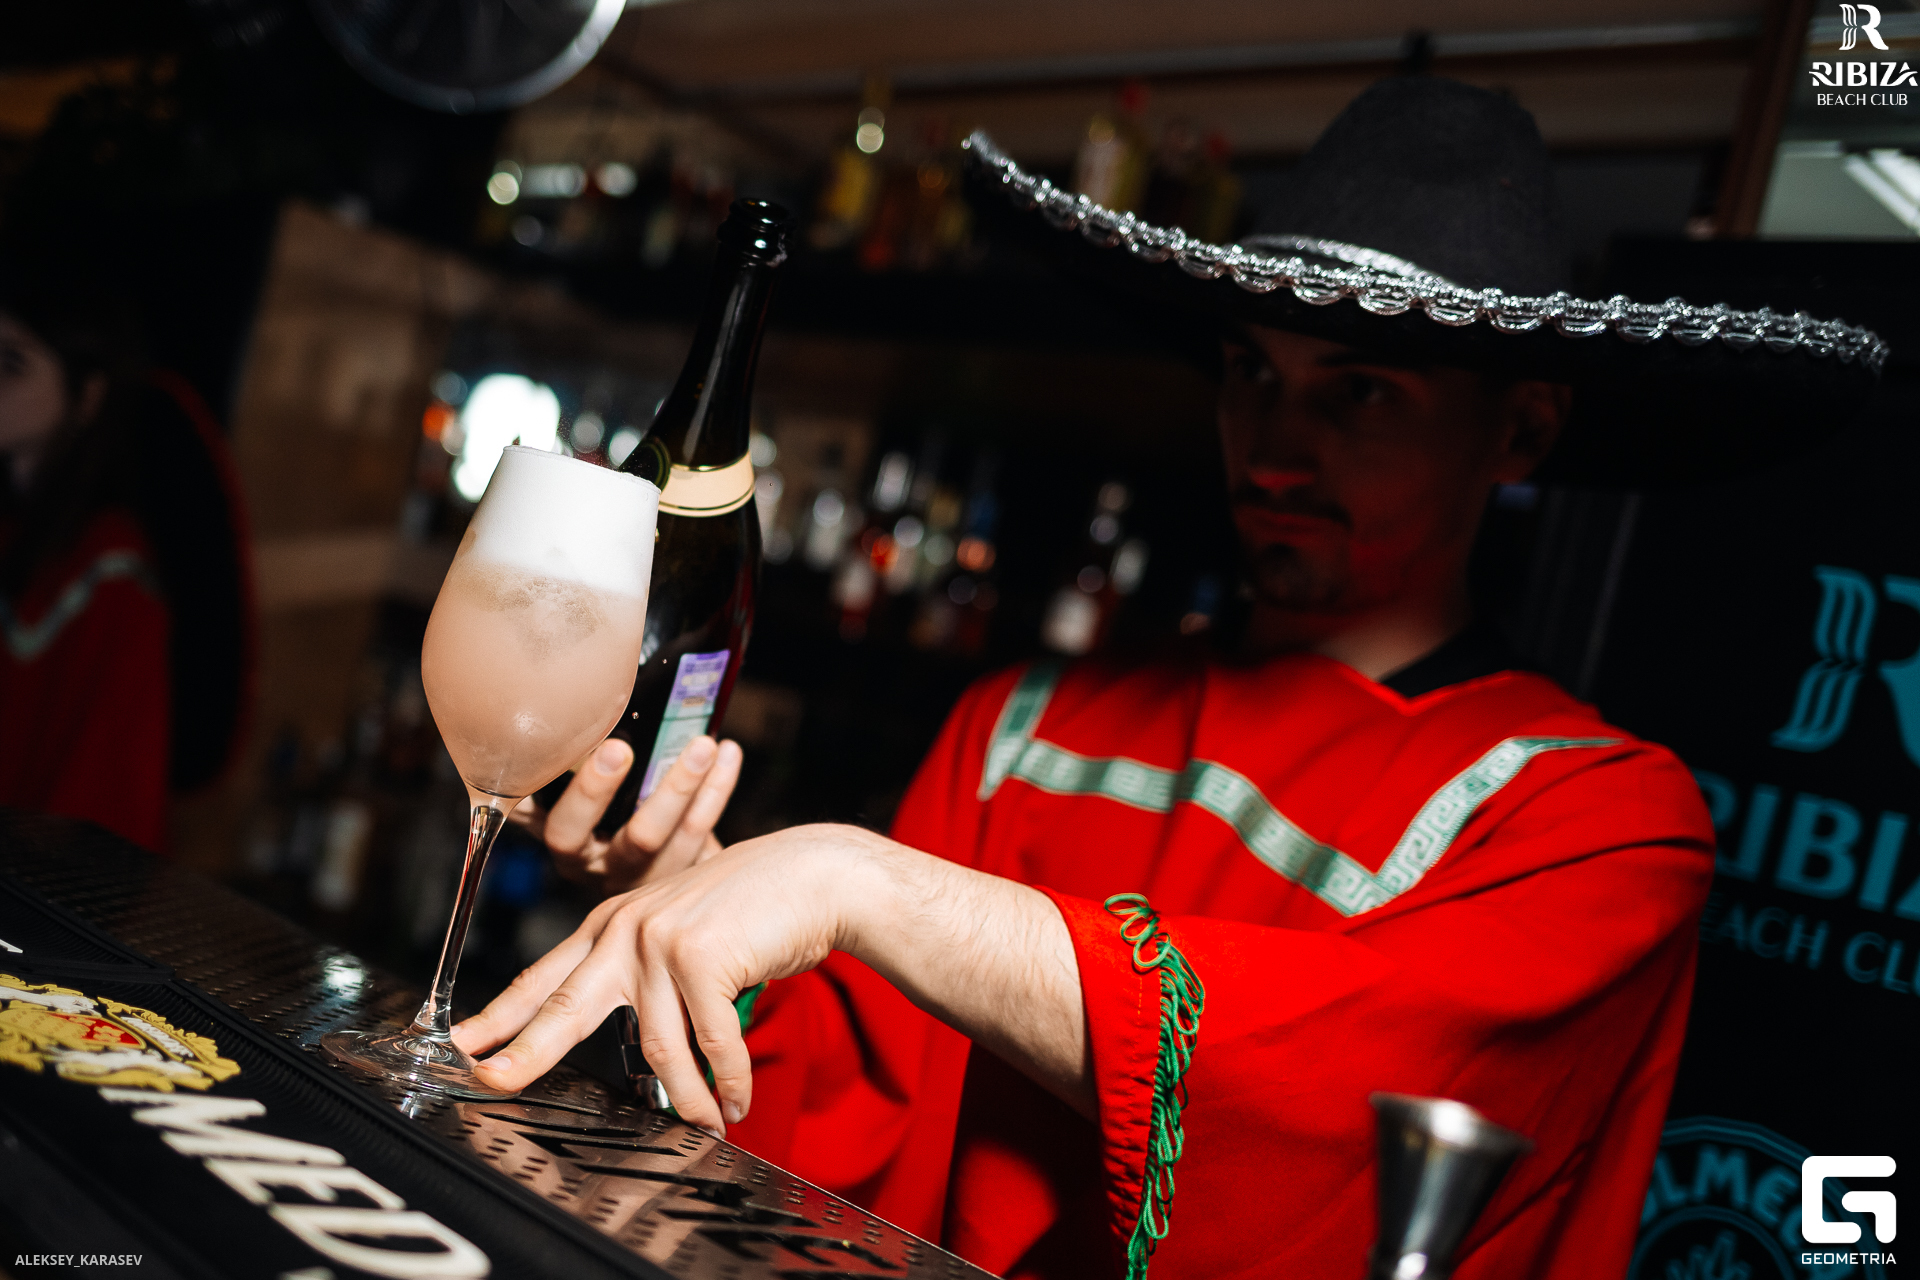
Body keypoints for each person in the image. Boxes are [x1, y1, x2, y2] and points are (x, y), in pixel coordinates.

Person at [451, 79, 1885, 1278]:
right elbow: (843, 1121)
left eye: (1360, 390)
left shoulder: (1599, 822)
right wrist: (697, 919)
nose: (1275, 443)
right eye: (1251, 371)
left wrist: (860, 879)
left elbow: (1352, 1105)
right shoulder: (1025, 721)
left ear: (1520, 432)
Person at [0, 280, 171, 849]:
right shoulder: (13, 534)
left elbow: (101, 801)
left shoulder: (113, 575)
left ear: (88, 395)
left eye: (12, 364)